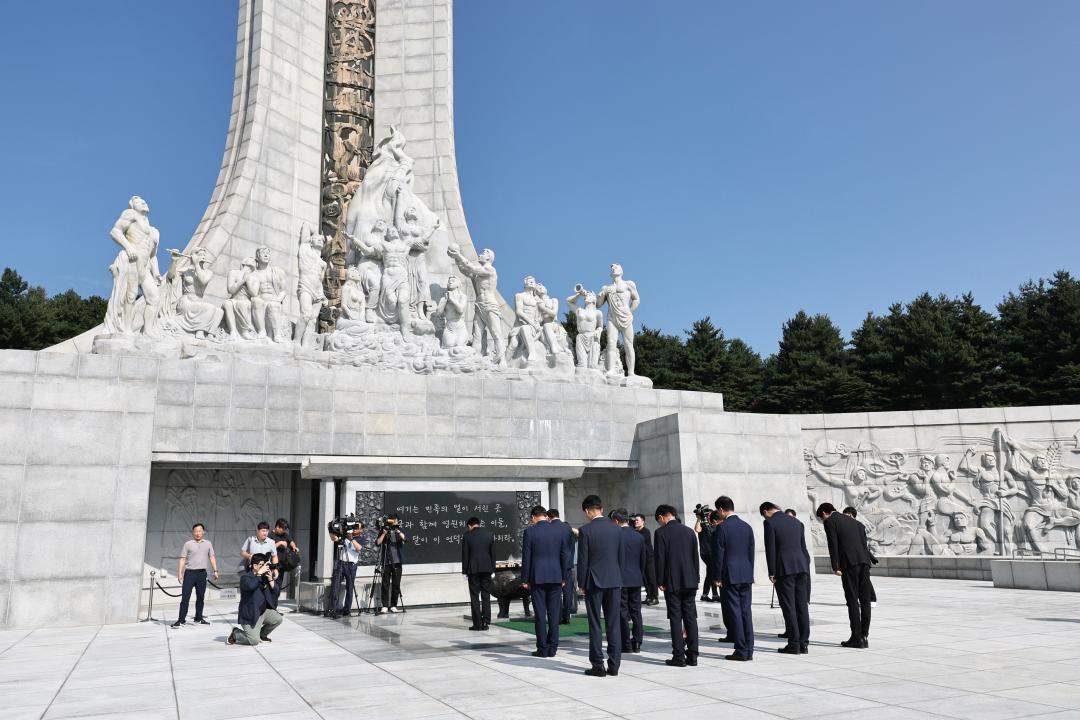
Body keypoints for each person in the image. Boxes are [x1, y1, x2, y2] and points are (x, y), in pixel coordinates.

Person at [577, 494, 624, 677]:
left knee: (595, 624)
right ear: (602, 509)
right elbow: (621, 558)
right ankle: (614, 665)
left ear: (588, 511)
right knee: (613, 623)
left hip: (594, 582)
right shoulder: (617, 529)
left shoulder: (586, 531)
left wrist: (581, 583)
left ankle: (598, 665)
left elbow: (583, 560)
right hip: (614, 581)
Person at [818, 502, 875, 648]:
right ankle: (864, 635)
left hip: (849, 564)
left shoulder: (831, 521)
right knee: (865, 600)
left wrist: (835, 566)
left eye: (822, 518)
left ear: (824, 513)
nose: (823, 521)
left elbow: (833, 543)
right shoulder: (858, 524)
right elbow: (863, 545)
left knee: (852, 600)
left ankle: (856, 637)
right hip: (864, 563)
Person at [761, 501, 811, 655]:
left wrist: (772, 572)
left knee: (789, 607)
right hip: (801, 567)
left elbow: (771, 549)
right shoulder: (797, 522)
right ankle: (804, 643)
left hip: (784, 569)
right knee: (802, 606)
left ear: (766, 511)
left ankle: (794, 643)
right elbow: (803, 548)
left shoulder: (770, 523)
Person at [521, 506, 572, 657]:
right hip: (556, 577)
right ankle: (553, 647)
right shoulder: (559, 531)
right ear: (546, 516)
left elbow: (527, 557)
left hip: (537, 578)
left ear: (533, 517)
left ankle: (542, 648)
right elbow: (565, 555)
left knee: (540, 614)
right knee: (554, 614)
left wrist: (524, 579)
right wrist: (563, 577)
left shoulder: (530, 532)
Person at [653, 505, 700, 667]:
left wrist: (659, 581)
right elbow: (695, 557)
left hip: (672, 582)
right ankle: (693, 655)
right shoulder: (689, 531)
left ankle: (678, 656)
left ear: (662, 517)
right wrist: (696, 578)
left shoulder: (661, 533)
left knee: (675, 617)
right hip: (690, 580)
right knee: (690, 617)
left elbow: (660, 559)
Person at [713, 496, 755, 661]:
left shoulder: (722, 528)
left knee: (735, 613)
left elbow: (719, 555)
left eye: (718, 510)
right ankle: (749, 649)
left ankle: (741, 649)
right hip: (745, 574)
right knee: (746, 612)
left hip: (729, 575)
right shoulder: (747, 527)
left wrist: (717, 576)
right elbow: (751, 553)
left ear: (722, 510)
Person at [227, 553, 282, 646]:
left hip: (262, 612)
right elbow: (251, 586)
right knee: (253, 641)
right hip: (251, 614)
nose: (264, 567)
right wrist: (259, 574)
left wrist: (270, 579)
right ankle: (236, 633)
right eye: (261, 565)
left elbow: (276, 592)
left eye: (264, 565)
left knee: (278, 619)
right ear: (254, 566)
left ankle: (262, 634)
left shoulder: (264, 577)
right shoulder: (245, 578)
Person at [172, 523, 219, 627]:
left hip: (202, 573)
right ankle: (181, 620)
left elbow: (212, 557)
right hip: (189, 573)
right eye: (196, 531)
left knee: (200, 597)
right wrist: (180, 573)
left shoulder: (208, 543)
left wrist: (215, 570)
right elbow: (182, 559)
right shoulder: (188, 544)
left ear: (203, 532)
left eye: (200, 531)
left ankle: (198, 618)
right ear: (193, 533)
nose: (198, 533)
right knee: (185, 597)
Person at [612, 509, 645, 654]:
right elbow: (643, 559)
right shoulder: (638, 536)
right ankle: (637, 641)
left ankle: (626, 643)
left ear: (617, 521)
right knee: (636, 611)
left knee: (622, 612)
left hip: (621, 578)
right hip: (636, 578)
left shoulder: (616, 536)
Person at [461, 517, 496, 631]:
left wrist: (465, 571)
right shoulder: (489, 535)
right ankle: (486, 622)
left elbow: (465, 554)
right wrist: (493, 569)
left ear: (470, 525)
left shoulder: (467, 535)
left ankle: (477, 623)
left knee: (474, 596)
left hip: (473, 569)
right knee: (486, 595)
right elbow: (493, 554)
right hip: (487, 568)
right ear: (478, 524)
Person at [547, 508, 578, 622]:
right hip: (568, 564)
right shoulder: (568, 528)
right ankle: (567, 615)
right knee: (568, 592)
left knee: (556, 591)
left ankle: (558, 616)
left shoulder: (549, 528)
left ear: (549, 517)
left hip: (554, 564)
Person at [328, 520, 363, 617]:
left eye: (357, 527)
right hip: (340, 563)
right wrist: (330, 529)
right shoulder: (343, 535)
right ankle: (333, 608)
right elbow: (334, 538)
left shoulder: (359, 538)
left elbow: (359, 548)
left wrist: (351, 538)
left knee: (350, 587)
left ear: (361, 530)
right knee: (335, 586)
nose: (355, 529)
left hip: (351, 565)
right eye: (354, 527)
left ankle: (347, 609)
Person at [375, 514, 407, 612]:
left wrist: (397, 530)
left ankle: (393, 605)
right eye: (392, 521)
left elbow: (405, 539)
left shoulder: (399, 531)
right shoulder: (384, 530)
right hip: (386, 562)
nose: (394, 522)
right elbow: (377, 543)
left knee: (396, 584)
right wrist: (384, 533)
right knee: (385, 584)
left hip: (397, 562)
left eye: (396, 521)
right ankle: (384, 605)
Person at [632, 513, 659, 605]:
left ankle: (655, 597)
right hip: (640, 559)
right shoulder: (635, 531)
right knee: (645, 579)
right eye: (635, 520)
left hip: (649, 558)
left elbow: (640, 540)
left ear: (643, 521)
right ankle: (649, 596)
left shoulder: (645, 531)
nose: (635, 522)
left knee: (651, 578)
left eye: (637, 520)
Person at [270, 518, 301, 599]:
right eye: (282, 529)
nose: (283, 531)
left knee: (278, 584)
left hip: (282, 564)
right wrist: (279, 543)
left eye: (285, 529)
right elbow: (268, 548)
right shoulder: (270, 535)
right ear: (277, 527)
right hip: (273, 565)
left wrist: (294, 547)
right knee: (272, 584)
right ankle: (270, 603)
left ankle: (274, 604)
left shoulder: (285, 535)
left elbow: (291, 541)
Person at [241, 522, 279, 586]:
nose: (265, 533)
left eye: (267, 531)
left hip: (266, 570)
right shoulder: (250, 540)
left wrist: (275, 569)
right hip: (253, 570)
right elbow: (242, 552)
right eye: (263, 531)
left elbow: (274, 556)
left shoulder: (271, 542)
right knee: (253, 587)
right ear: (258, 531)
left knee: (265, 589)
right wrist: (250, 556)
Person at [696, 511, 722, 603]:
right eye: (707, 515)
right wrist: (699, 519)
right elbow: (697, 529)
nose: (708, 516)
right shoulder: (703, 525)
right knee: (711, 572)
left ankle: (707, 595)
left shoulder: (714, 526)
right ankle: (712, 595)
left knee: (711, 572)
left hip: (713, 553)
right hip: (706, 553)